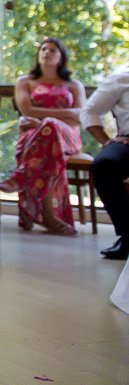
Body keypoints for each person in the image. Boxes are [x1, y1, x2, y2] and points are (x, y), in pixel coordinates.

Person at [0, 37, 86, 236]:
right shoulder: (25, 82)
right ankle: (49, 216)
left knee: (50, 127)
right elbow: (26, 109)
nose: (47, 53)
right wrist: (64, 115)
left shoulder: (73, 84)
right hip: (34, 135)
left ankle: (21, 179)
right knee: (49, 143)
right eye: (43, 49)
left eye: (53, 50)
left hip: (68, 136)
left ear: (61, 57)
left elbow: (80, 116)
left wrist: (44, 120)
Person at [79, 64, 129, 260]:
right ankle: (127, 234)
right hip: (127, 141)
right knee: (104, 164)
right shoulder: (121, 77)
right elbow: (89, 111)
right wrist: (106, 141)